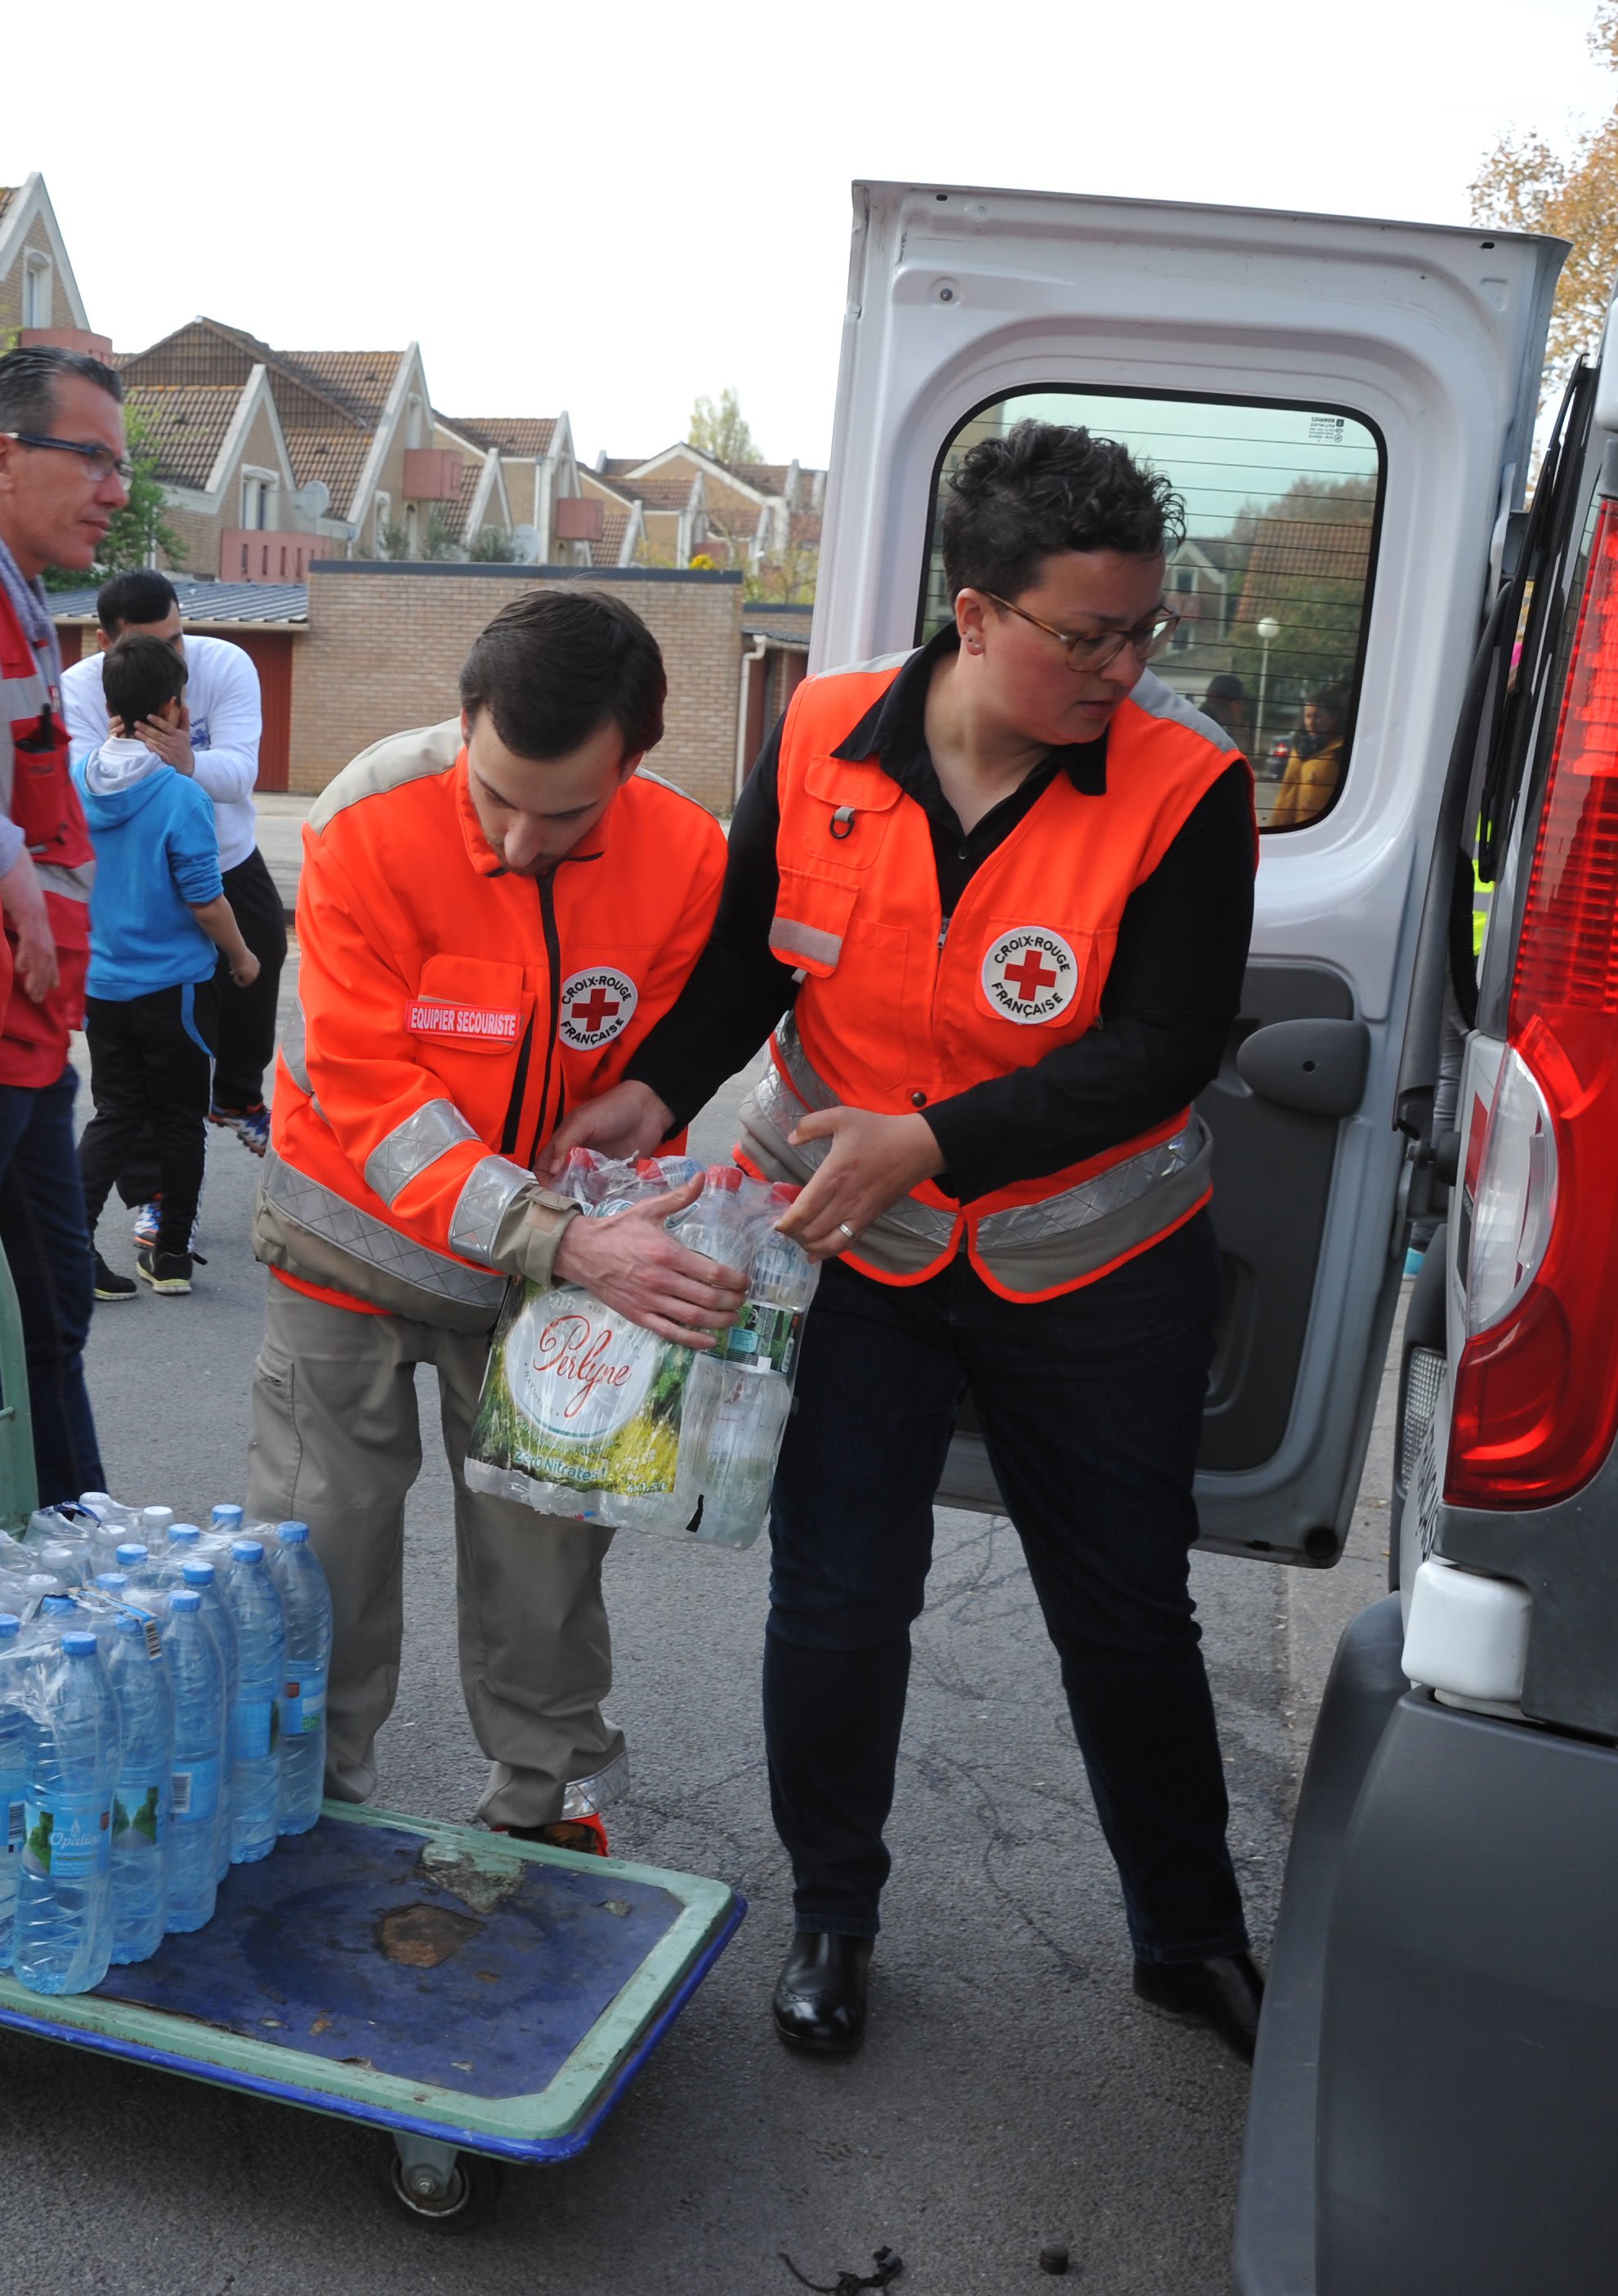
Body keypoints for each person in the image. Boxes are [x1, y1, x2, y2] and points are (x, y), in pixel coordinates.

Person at [547, 421, 1264, 2057]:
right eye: (1088, 636)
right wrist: (654, 1094)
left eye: (1144, 630)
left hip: (1091, 1260)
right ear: (974, 611)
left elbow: (1160, 1046)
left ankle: (1189, 1932)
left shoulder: (1186, 780)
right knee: (842, 1595)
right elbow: (749, 964)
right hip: (855, 1252)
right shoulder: (817, 734)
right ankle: (835, 1917)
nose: (1125, 666)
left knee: (1128, 1612)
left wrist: (934, 1139)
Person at [243, 590, 737, 1852]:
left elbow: (663, 1054)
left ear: (636, 758)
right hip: (348, 1245)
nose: (518, 842)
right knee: (321, 1550)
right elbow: (367, 1088)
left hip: (544, 1280)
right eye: (494, 794)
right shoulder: (367, 814)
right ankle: (303, 1801)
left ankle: (547, 1801)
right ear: (464, 719)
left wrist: (650, 1099)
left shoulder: (687, 856)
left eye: (563, 813)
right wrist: (553, 1235)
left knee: (544, 1565)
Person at [63, 570, 286, 1252]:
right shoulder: (78, 686)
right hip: (146, 880)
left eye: (179, 637)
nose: (176, 661)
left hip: (224, 855)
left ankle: (238, 1094)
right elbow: (85, 781)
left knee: (263, 956)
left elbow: (241, 772)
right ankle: (155, 1197)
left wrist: (183, 760)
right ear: (105, 644)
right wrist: (168, 767)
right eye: (156, 646)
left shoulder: (227, 663)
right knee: (149, 1060)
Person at [0, 343, 131, 1502]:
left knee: (53, 1313)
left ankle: (69, 1544)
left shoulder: (28, 597)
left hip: (32, 1035)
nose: (117, 488)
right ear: (5, 456)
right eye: (91, 456)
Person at [1269, 681, 1348, 829]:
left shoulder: (1340, 750)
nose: (1311, 722)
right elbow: (1286, 793)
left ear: (1333, 718)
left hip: (1319, 832)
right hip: (1290, 830)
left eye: (1317, 716)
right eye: (1308, 716)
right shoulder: (1298, 747)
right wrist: (1275, 828)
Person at [1200, 670, 1249, 749]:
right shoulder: (1202, 726)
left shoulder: (1226, 730)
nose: (1211, 707)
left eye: (1217, 703)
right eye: (1209, 701)